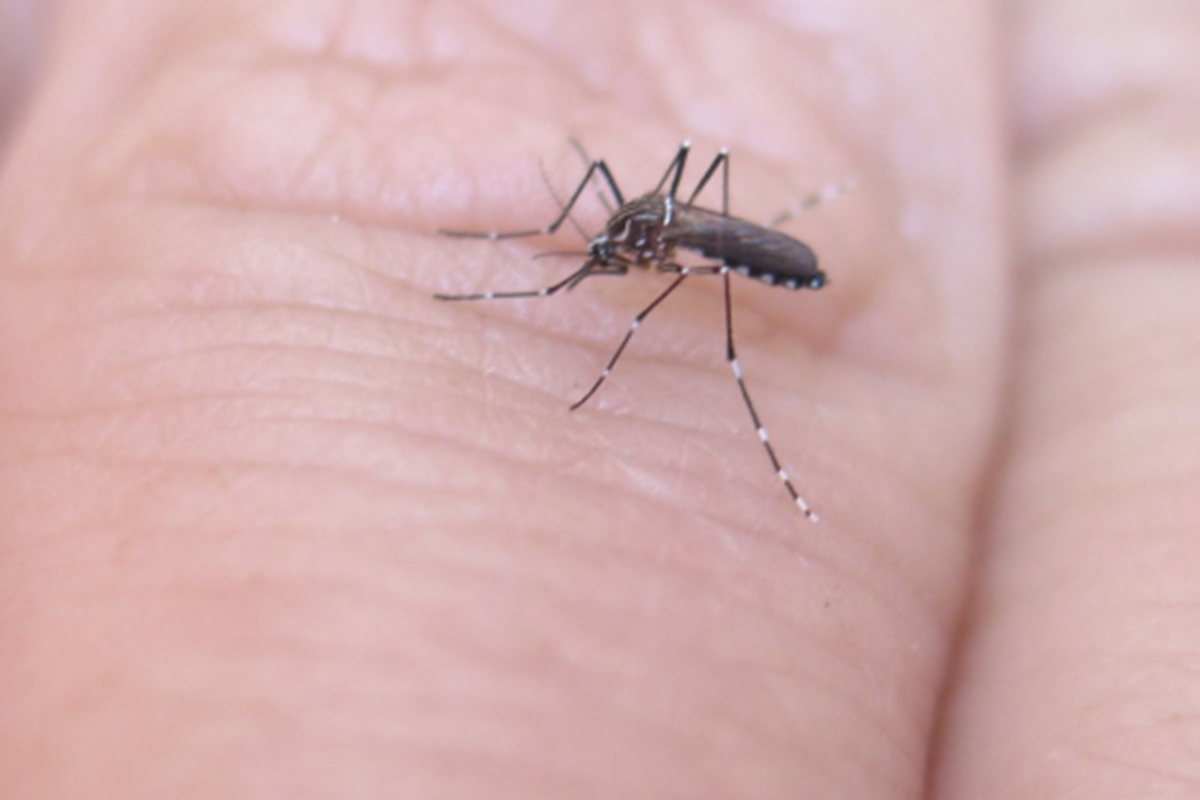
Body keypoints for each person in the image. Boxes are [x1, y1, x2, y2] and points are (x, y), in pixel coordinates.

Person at [0, 2, 1195, 797]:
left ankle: (756, 426)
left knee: (706, 302)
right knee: (649, 229)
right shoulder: (621, 217)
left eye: (603, 255)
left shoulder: (661, 240)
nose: (598, 261)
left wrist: (622, 325)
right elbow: (600, 217)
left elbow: (659, 235)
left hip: (748, 249)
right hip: (687, 225)